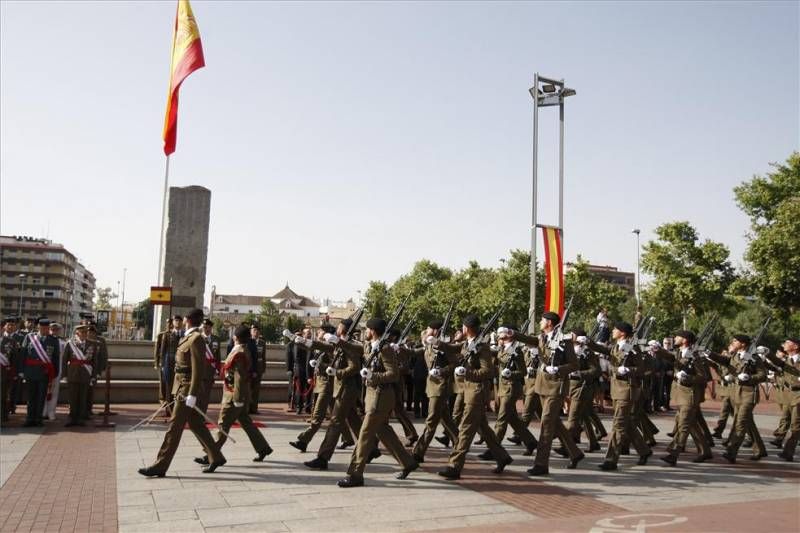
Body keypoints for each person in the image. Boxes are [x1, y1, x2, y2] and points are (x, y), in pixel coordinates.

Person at [138, 309, 226, 477]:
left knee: (174, 427)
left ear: (187, 320)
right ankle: (216, 456)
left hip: (187, 389)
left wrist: (192, 393)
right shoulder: (189, 336)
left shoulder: (196, 339)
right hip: (181, 386)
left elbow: (198, 369)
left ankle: (160, 465)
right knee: (196, 424)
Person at [336, 318, 419, 487]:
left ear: (372, 330)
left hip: (381, 396)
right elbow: (355, 348)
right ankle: (408, 462)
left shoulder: (385, 349)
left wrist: (373, 376)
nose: (364, 332)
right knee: (384, 432)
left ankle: (355, 474)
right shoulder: (370, 346)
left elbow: (394, 374)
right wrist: (338, 341)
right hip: (372, 396)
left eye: (366, 329)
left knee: (365, 435)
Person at [435, 315, 513, 480]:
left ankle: (454, 466)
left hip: (477, 393)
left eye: (463, 327)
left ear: (467, 328)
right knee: (484, 428)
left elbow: (488, 371)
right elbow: (455, 348)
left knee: (465, 429)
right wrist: (437, 343)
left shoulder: (482, 347)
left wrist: (467, 372)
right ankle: (502, 456)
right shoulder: (468, 343)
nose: (462, 329)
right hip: (469, 390)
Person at [514, 312, 583, 475]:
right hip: (541, 385)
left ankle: (541, 464)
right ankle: (575, 453)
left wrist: (559, 368)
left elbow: (574, 364)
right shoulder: (542, 337)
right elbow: (531, 340)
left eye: (542, 320)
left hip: (555, 387)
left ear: (550, 323)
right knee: (554, 423)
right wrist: (513, 334)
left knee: (546, 424)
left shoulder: (564, 341)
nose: (540, 322)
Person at [196, 325, 272, 464]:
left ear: (235, 337)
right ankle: (263, 448)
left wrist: (237, 398)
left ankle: (211, 454)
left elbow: (239, 377)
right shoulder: (241, 350)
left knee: (222, 425)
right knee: (247, 423)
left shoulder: (239, 353)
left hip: (233, 395)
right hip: (239, 393)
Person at [299, 318, 368, 470]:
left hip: (348, 388)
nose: (338, 327)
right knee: (353, 419)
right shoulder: (338, 342)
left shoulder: (352, 345)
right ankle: (372, 448)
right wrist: (301, 341)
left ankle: (323, 457)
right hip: (340, 388)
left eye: (340, 325)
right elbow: (322, 346)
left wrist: (338, 372)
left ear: (345, 329)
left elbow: (354, 367)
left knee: (335, 421)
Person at [588, 321, 652, 471]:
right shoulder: (616, 346)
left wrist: (628, 370)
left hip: (626, 390)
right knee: (627, 424)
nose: (612, 331)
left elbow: (641, 369)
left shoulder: (633, 348)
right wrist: (588, 342)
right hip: (616, 390)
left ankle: (611, 460)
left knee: (618, 425)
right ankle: (644, 450)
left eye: (615, 329)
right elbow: (603, 350)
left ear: (622, 333)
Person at [649, 330, 713, 465]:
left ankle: (674, 454)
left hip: (690, 395)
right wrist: (658, 350)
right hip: (681, 394)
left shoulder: (694, 356)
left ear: (684, 340)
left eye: (678, 337)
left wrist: (687, 377)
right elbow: (671, 357)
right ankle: (705, 451)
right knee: (692, 425)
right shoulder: (679, 353)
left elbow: (703, 377)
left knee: (684, 425)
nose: (675, 338)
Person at [706, 335, 768, 463]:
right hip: (736, 394)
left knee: (740, 423)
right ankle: (760, 449)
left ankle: (731, 452)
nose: (732, 343)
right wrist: (709, 353)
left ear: (743, 344)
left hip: (748, 394)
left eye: (735, 341)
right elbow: (723, 360)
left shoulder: (754, 358)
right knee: (748, 424)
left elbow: (762, 375)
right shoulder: (734, 356)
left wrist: (750, 378)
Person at [408, 319, 460, 462]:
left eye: (429, 329)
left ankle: (418, 453)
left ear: (436, 332)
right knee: (446, 420)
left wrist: (441, 371)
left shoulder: (444, 347)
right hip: (432, 387)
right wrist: (399, 349)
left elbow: (455, 363)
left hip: (440, 388)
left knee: (431, 421)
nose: (426, 331)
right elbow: (414, 352)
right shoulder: (430, 346)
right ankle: (460, 443)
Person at [484, 325, 538, 457]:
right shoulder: (502, 348)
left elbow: (523, 371)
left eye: (500, 333)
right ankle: (530, 441)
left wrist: (511, 374)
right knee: (513, 419)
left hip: (511, 387)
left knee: (501, 419)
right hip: (503, 387)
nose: (498, 335)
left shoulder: (516, 351)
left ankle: (494, 449)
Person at [290, 325, 336, 451]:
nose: (318, 332)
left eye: (321, 331)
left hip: (327, 384)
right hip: (320, 383)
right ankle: (349, 439)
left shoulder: (330, 346)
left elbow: (334, 365)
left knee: (317, 416)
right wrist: (294, 338)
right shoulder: (321, 344)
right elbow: (308, 346)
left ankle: (303, 441)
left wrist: (320, 366)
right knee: (339, 416)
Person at [565, 329, 601, 453]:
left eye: (572, 334)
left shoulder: (587, 352)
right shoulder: (569, 350)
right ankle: (593, 442)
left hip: (582, 387)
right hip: (571, 385)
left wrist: (580, 373)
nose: (570, 336)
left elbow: (596, 371)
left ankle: (566, 446)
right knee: (585, 417)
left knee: (573, 417)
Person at [20, 318, 60, 427]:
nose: (45, 330)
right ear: (38, 327)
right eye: (42, 328)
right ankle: (29, 418)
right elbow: (23, 355)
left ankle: (38, 419)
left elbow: (56, 358)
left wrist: (55, 372)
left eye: (47, 328)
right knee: (30, 397)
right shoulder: (29, 337)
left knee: (41, 397)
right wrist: (21, 371)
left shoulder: (53, 340)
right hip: (30, 372)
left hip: (44, 373)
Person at [62, 324, 100, 427]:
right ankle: (72, 418)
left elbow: (94, 362)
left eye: (85, 332)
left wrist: (93, 376)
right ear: (76, 333)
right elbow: (64, 360)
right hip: (73, 374)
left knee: (83, 398)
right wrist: (64, 375)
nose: (84, 334)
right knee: (72, 398)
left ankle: (81, 418)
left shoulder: (92, 344)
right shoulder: (70, 344)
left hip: (85, 374)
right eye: (82, 332)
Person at [154, 316, 183, 415]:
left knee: (179, 387)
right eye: (176, 321)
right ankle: (169, 410)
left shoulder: (185, 335)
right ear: (173, 323)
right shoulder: (167, 335)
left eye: (179, 321)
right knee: (169, 387)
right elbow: (162, 350)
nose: (177, 323)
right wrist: (161, 364)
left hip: (181, 365)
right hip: (169, 364)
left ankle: (178, 409)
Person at [42, 322, 66, 421]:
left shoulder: (63, 343)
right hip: (44, 369)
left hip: (57, 370)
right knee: (43, 391)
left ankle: (51, 412)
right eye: (52, 329)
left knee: (54, 392)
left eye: (56, 330)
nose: (54, 331)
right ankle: (43, 411)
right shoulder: (44, 340)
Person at [198, 319, 221, 413]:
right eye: (204, 327)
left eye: (208, 327)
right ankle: (196, 414)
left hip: (210, 371)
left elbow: (218, 357)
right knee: (198, 394)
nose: (206, 329)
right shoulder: (198, 338)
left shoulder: (216, 339)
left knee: (206, 395)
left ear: (211, 328)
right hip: (199, 370)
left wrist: (217, 370)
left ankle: (203, 414)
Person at [1, 317, 21, 423]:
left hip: (7, 372)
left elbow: (16, 358)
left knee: (6, 395)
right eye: (8, 325)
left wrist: (15, 372)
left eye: (12, 325)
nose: (10, 327)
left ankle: (5, 414)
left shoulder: (15, 339)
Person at [250, 324, 268, 414]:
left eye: (257, 330)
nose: (256, 332)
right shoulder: (248, 342)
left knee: (256, 390)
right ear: (251, 332)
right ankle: (247, 408)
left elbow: (263, 356)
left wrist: (263, 367)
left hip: (259, 368)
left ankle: (254, 408)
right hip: (250, 369)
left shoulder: (262, 342)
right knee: (249, 389)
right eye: (254, 330)